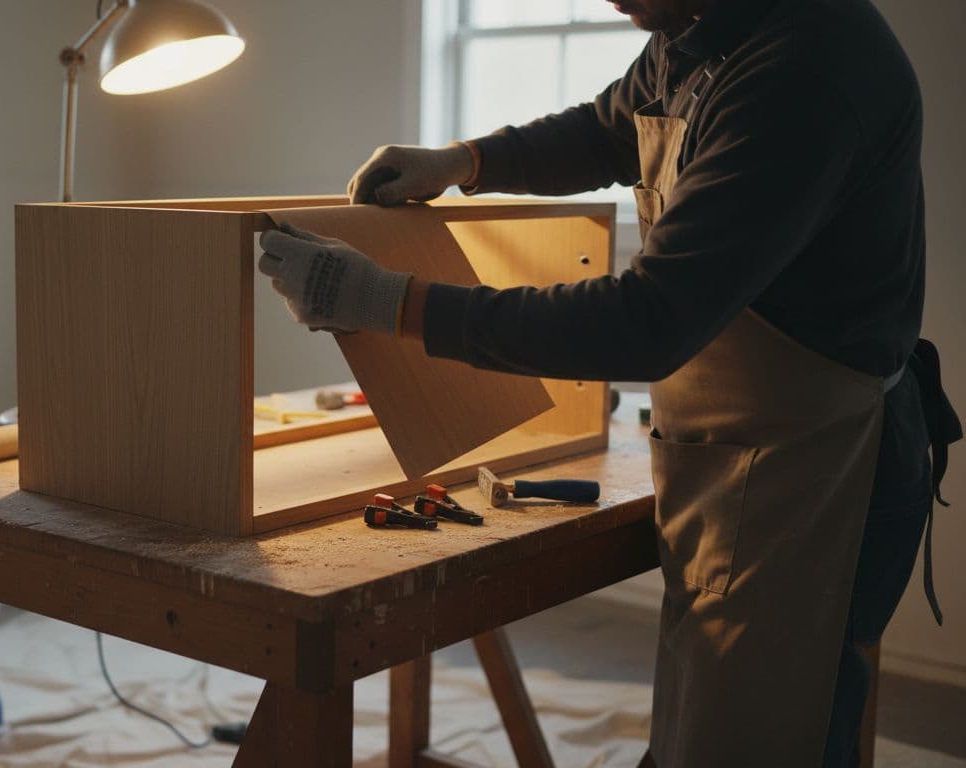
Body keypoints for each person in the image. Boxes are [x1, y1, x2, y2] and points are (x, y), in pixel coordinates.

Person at [256, 0, 960, 765]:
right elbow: (610, 129)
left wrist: (386, 302)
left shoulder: (807, 69)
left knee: (773, 734)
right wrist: (464, 162)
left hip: (822, 469)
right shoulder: (697, 29)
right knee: (713, 719)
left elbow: (648, 322)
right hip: (739, 454)